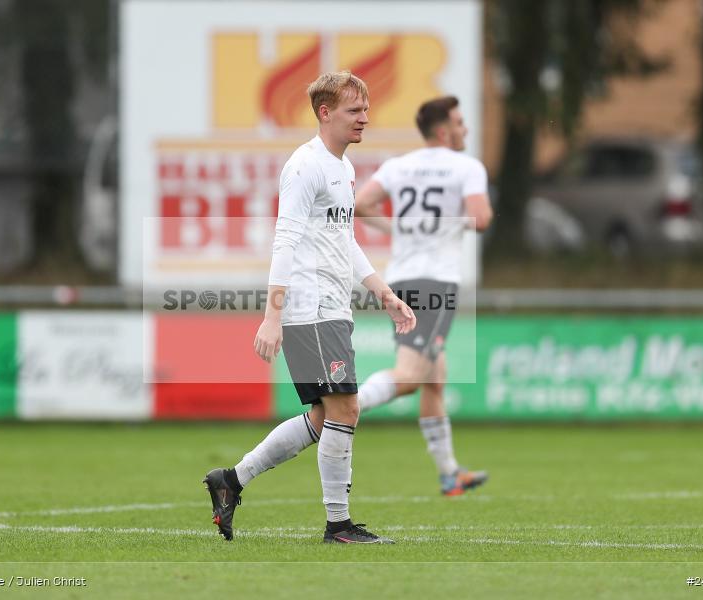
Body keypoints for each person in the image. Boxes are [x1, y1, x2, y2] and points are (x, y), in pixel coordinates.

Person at [203, 71, 416, 544]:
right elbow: (286, 237)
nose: (364, 117)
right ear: (325, 113)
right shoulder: (305, 166)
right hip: (310, 307)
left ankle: (231, 481)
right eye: (353, 110)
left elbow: (343, 240)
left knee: (326, 417)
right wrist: (272, 315)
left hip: (332, 306)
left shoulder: (343, 169)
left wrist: (384, 292)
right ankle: (338, 525)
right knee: (347, 408)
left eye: (365, 109)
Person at [354, 95, 493, 496]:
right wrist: (448, 226)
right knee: (412, 377)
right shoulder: (466, 167)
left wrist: (400, 229)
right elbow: (481, 219)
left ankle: (450, 473)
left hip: (403, 277)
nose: (465, 129)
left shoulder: (400, 165)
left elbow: (362, 203)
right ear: (443, 129)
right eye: (460, 123)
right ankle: (342, 407)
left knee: (435, 376)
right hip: (436, 281)